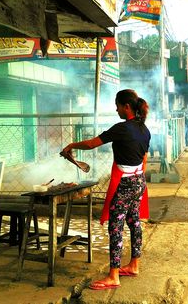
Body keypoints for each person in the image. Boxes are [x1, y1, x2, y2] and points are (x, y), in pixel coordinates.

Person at [61, 89, 151, 290]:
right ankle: (134, 265)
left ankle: (114, 275)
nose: (116, 109)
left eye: (117, 105)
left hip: (126, 183)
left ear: (126, 106)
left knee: (116, 226)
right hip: (139, 181)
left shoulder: (122, 128)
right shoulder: (144, 129)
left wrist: (72, 144)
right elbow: (144, 159)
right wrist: (137, 178)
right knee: (134, 221)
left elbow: (93, 144)